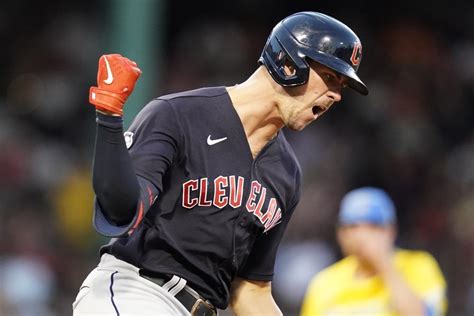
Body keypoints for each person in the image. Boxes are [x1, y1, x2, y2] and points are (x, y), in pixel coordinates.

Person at [73, 11, 369, 316]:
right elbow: (122, 209)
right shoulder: (179, 114)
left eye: (341, 86)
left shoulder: (286, 172)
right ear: (289, 63)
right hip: (137, 292)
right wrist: (109, 119)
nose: (336, 95)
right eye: (330, 77)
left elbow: (251, 290)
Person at [301, 187, 448, 316]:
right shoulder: (324, 283)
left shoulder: (418, 266)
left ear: (391, 230)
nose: (361, 235)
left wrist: (384, 263)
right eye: (352, 226)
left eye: (372, 226)